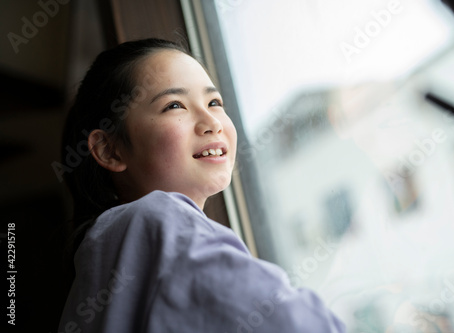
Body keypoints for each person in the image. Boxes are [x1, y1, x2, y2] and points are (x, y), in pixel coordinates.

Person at [58, 38, 346, 333]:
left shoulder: (103, 253)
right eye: (174, 105)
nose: (211, 121)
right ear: (110, 150)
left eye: (214, 103)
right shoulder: (157, 220)